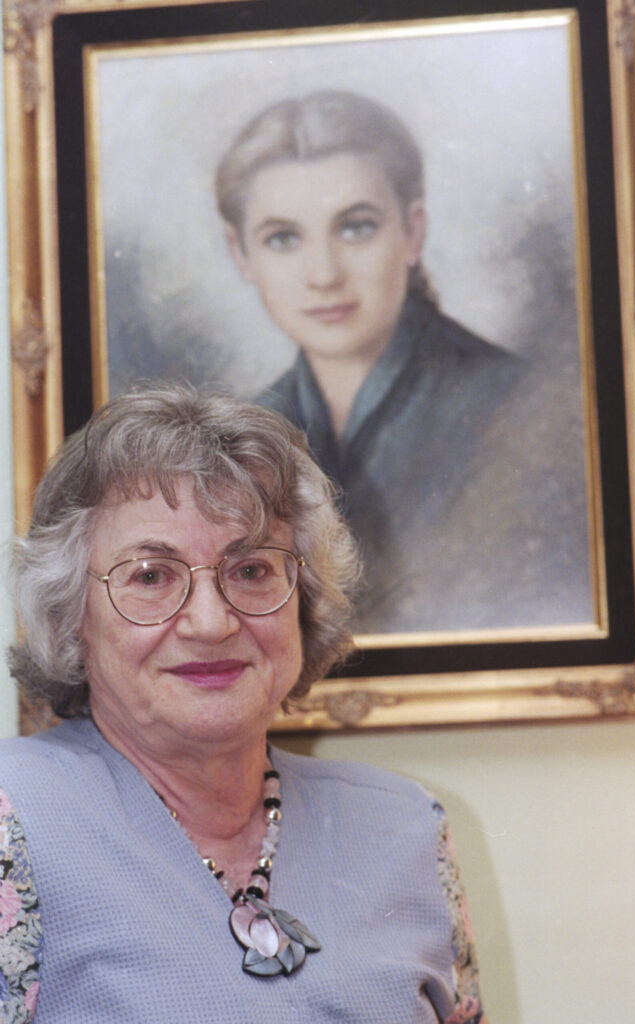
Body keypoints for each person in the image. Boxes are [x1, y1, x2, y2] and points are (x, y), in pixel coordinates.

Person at [0, 383, 486, 1023]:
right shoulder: (15, 823)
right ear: (71, 617)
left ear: (303, 598)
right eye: (151, 575)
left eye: (251, 569)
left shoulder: (408, 830)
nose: (211, 621)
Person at [215, 89, 592, 636]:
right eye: (283, 238)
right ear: (241, 255)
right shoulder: (239, 436)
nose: (323, 273)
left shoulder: (525, 411)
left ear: (412, 232)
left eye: (356, 227)